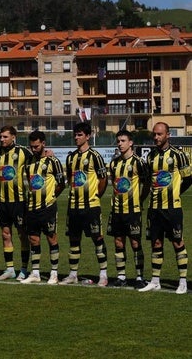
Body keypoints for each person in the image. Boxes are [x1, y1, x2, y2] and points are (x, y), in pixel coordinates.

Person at [139, 122, 192, 294]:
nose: (156, 137)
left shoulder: (178, 155)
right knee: (156, 243)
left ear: (168, 135)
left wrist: (175, 193)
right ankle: (155, 280)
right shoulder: (150, 156)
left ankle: (183, 282)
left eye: (159, 134)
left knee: (178, 242)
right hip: (154, 208)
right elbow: (148, 181)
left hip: (172, 208)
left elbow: (188, 180)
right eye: (154, 134)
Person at [59, 122, 109, 286]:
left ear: (88, 136)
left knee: (97, 238)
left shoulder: (95, 156)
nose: (76, 137)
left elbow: (103, 180)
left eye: (80, 134)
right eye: (75, 134)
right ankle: (73, 274)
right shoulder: (70, 157)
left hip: (91, 206)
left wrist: (96, 195)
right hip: (73, 206)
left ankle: (103, 274)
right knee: (74, 240)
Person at [20, 131, 66, 284]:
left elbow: (61, 183)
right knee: (33, 239)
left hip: (48, 207)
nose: (34, 149)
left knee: (51, 238)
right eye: (31, 146)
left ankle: (54, 273)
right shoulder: (28, 162)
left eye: (36, 146)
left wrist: (51, 196)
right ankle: (35, 273)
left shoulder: (53, 161)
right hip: (32, 207)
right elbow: (30, 180)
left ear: (43, 144)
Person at [108, 130, 150, 289]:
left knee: (135, 243)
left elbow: (146, 184)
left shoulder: (139, 162)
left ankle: (139, 277)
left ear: (130, 142)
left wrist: (140, 199)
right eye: (118, 141)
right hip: (117, 210)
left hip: (133, 211)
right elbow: (115, 183)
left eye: (123, 140)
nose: (120, 143)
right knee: (118, 243)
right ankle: (121, 276)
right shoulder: (114, 163)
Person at [0, 126, 33, 281]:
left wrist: (49, 153)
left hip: (19, 201)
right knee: (5, 234)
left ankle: (23, 269)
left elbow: (39, 158)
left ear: (13, 137)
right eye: (0, 137)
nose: (2, 139)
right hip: (2, 202)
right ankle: (10, 269)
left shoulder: (23, 152)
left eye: (5, 137)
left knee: (22, 235)